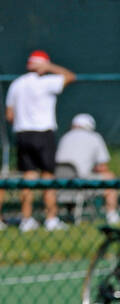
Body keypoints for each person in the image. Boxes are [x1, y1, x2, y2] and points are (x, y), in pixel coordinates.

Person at [5, 48, 76, 231]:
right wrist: (50, 67)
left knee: (28, 177)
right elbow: (70, 76)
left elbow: (9, 115)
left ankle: (26, 219)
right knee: (47, 177)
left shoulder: (16, 84)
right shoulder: (46, 82)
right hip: (43, 134)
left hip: (22, 135)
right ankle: (51, 219)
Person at [55, 112, 120, 225]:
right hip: (81, 182)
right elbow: (103, 167)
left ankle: (70, 215)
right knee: (110, 177)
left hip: (61, 184)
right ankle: (112, 215)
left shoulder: (64, 137)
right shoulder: (95, 137)